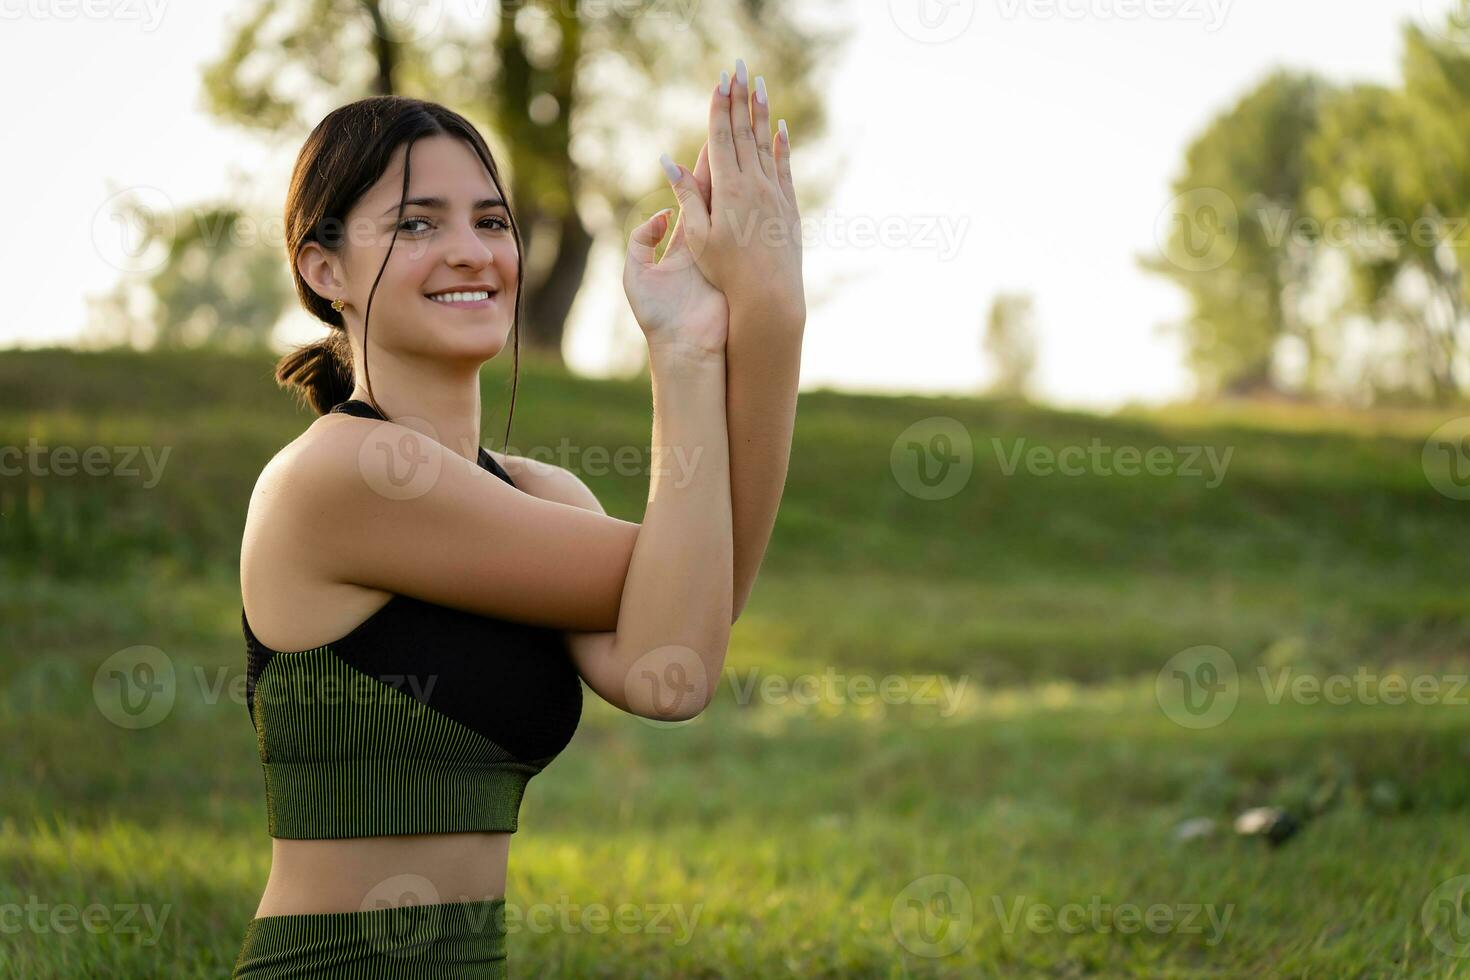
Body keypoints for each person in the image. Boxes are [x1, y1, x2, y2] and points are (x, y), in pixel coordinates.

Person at [233, 58, 805, 977]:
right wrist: (740, 331)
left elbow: (679, 656)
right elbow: (690, 583)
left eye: (491, 222)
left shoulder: (541, 495)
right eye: (419, 223)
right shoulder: (339, 475)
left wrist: (738, 328)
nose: (473, 250)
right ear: (323, 266)